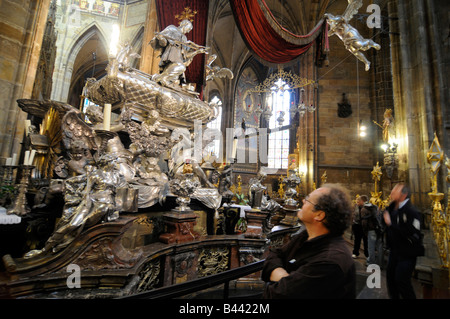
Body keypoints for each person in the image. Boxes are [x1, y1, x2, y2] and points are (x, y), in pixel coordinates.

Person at [261, 183, 356, 299]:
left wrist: (278, 278)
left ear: (319, 215)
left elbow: (278, 294)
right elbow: (275, 254)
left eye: (307, 200)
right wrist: (286, 279)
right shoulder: (305, 236)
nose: (303, 201)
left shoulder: (330, 261)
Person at [383, 183, 422, 299]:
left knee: (402, 281)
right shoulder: (392, 208)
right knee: (391, 280)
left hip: (407, 253)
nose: (391, 193)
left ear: (403, 195)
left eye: (395, 191)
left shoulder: (412, 211)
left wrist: (390, 224)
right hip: (394, 252)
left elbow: (412, 232)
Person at [359, 195, 380, 265]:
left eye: (359, 201)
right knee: (378, 247)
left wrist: (365, 231)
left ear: (362, 201)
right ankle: (380, 263)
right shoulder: (374, 206)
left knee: (371, 247)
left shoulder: (363, 209)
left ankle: (371, 262)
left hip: (371, 230)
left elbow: (364, 222)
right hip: (378, 229)